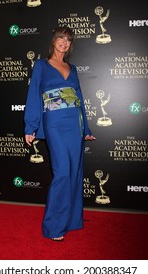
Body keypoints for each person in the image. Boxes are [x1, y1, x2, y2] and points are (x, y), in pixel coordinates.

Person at [24, 27, 96, 241]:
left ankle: (72, 220)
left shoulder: (72, 69)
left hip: (75, 123)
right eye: (60, 38)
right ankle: (54, 227)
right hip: (54, 123)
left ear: (70, 45)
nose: (64, 42)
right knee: (62, 172)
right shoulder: (41, 65)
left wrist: (87, 128)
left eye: (68, 40)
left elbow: (80, 98)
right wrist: (31, 126)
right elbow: (34, 94)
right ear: (53, 41)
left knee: (74, 172)